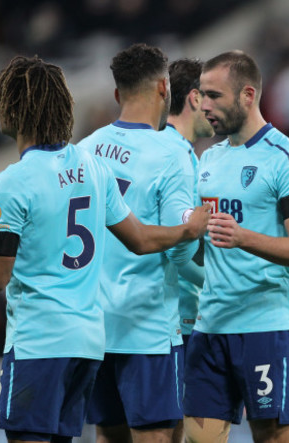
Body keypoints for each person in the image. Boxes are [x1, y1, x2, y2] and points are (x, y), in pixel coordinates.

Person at [0, 55, 210, 443]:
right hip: (86, 345)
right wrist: (187, 231)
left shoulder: (12, 182)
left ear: (21, 107)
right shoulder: (91, 168)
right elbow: (141, 239)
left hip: (39, 342)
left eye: (4, 98)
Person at [182, 50, 289, 443]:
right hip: (210, 325)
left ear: (247, 95)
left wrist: (243, 238)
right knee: (198, 437)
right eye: (201, 95)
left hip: (266, 325)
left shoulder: (287, 160)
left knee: (273, 436)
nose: (204, 106)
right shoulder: (207, 161)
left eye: (214, 96)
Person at [76, 44, 201, 443]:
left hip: (95, 325)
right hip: (147, 327)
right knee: (156, 436)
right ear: (165, 87)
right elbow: (181, 250)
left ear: (116, 94)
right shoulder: (172, 153)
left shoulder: (85, 149)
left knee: (107, 435)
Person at [161, 57, 215, 352]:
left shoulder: (153, 148)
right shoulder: (178, 158)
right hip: (174, 320)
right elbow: (178, 249)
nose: (216, 109)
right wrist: (222, 286)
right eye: (213, 97)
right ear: (195, 98)